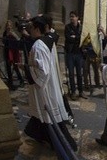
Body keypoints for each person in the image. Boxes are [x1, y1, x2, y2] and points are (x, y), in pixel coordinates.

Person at [24, 16, 77, 151]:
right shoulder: (49, 40)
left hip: (45, 87)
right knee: (42, 115)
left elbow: (42, 72)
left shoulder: (39, 45)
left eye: (32, 28)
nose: (30, 31)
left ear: (37, 29)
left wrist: (25, 68)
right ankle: (37, 134)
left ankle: (65, 145)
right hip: (51, 84)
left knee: (48, 114)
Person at [64, 11, 86, 100]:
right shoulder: (68, 27)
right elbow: (68, 38)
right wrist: (76, 37)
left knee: (79, 74)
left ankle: (81, 91)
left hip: (79, 53)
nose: (71, 18)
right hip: (70, 53)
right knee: (71, 74)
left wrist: (75, 37)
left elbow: (82, 38)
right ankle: (73, 91)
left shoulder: (81, 28)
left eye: (73, 16)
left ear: (77, 17)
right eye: (70, 17)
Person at [2, 19, 24, 90]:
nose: (9, 27)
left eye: (10, 25)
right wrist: (6, 36)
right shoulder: (5, 33)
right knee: (8, 67)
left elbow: (18, 40)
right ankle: (10, 82)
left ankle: (21, 80)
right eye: (7, 25)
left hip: (13, 51)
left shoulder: (13, 33)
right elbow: (3, 41)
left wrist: (13, 35)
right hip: (7, 51)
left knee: (15, 66)